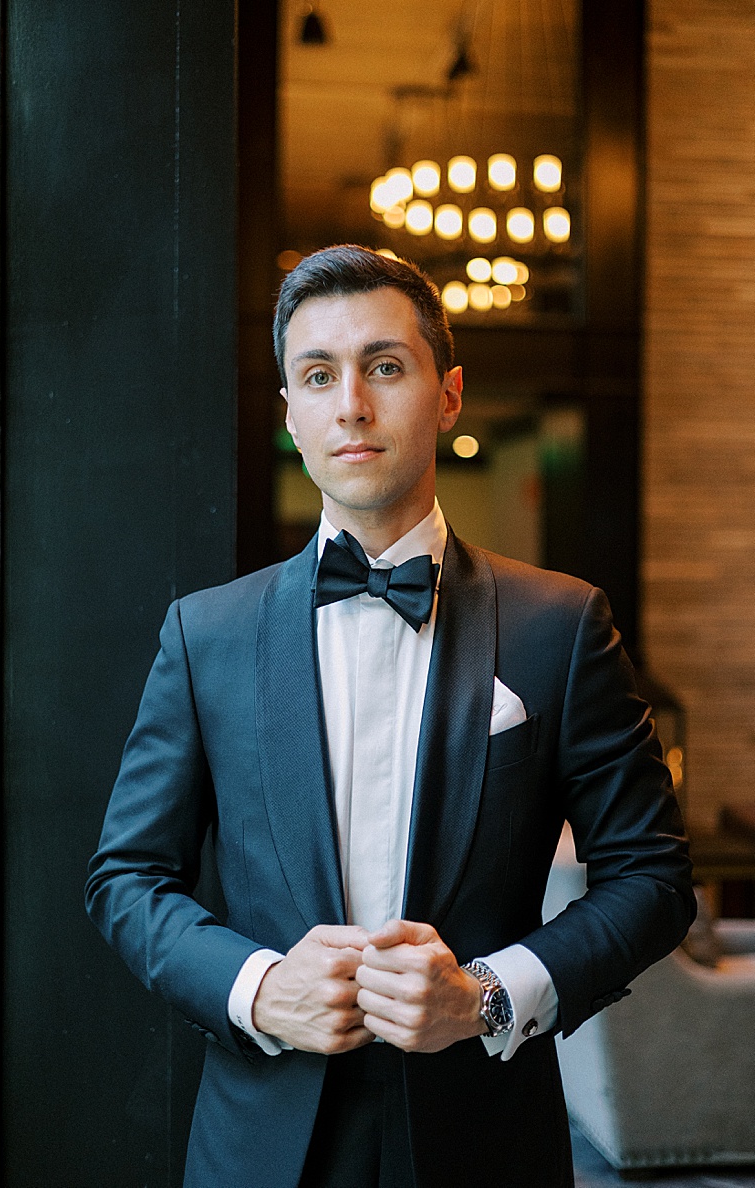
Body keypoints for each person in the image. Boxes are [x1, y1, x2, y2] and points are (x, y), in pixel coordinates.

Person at [84, 244, 693, 1187]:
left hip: (482, 1138)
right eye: (318, 376)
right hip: (262, 1143)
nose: (352, 406)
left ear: (447, 394)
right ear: (289, 410)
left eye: (385, 367)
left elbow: (651, 879)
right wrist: (257, 987)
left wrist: (489, 996)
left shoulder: (562, 624)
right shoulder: (205, 635)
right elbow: (126, 876)